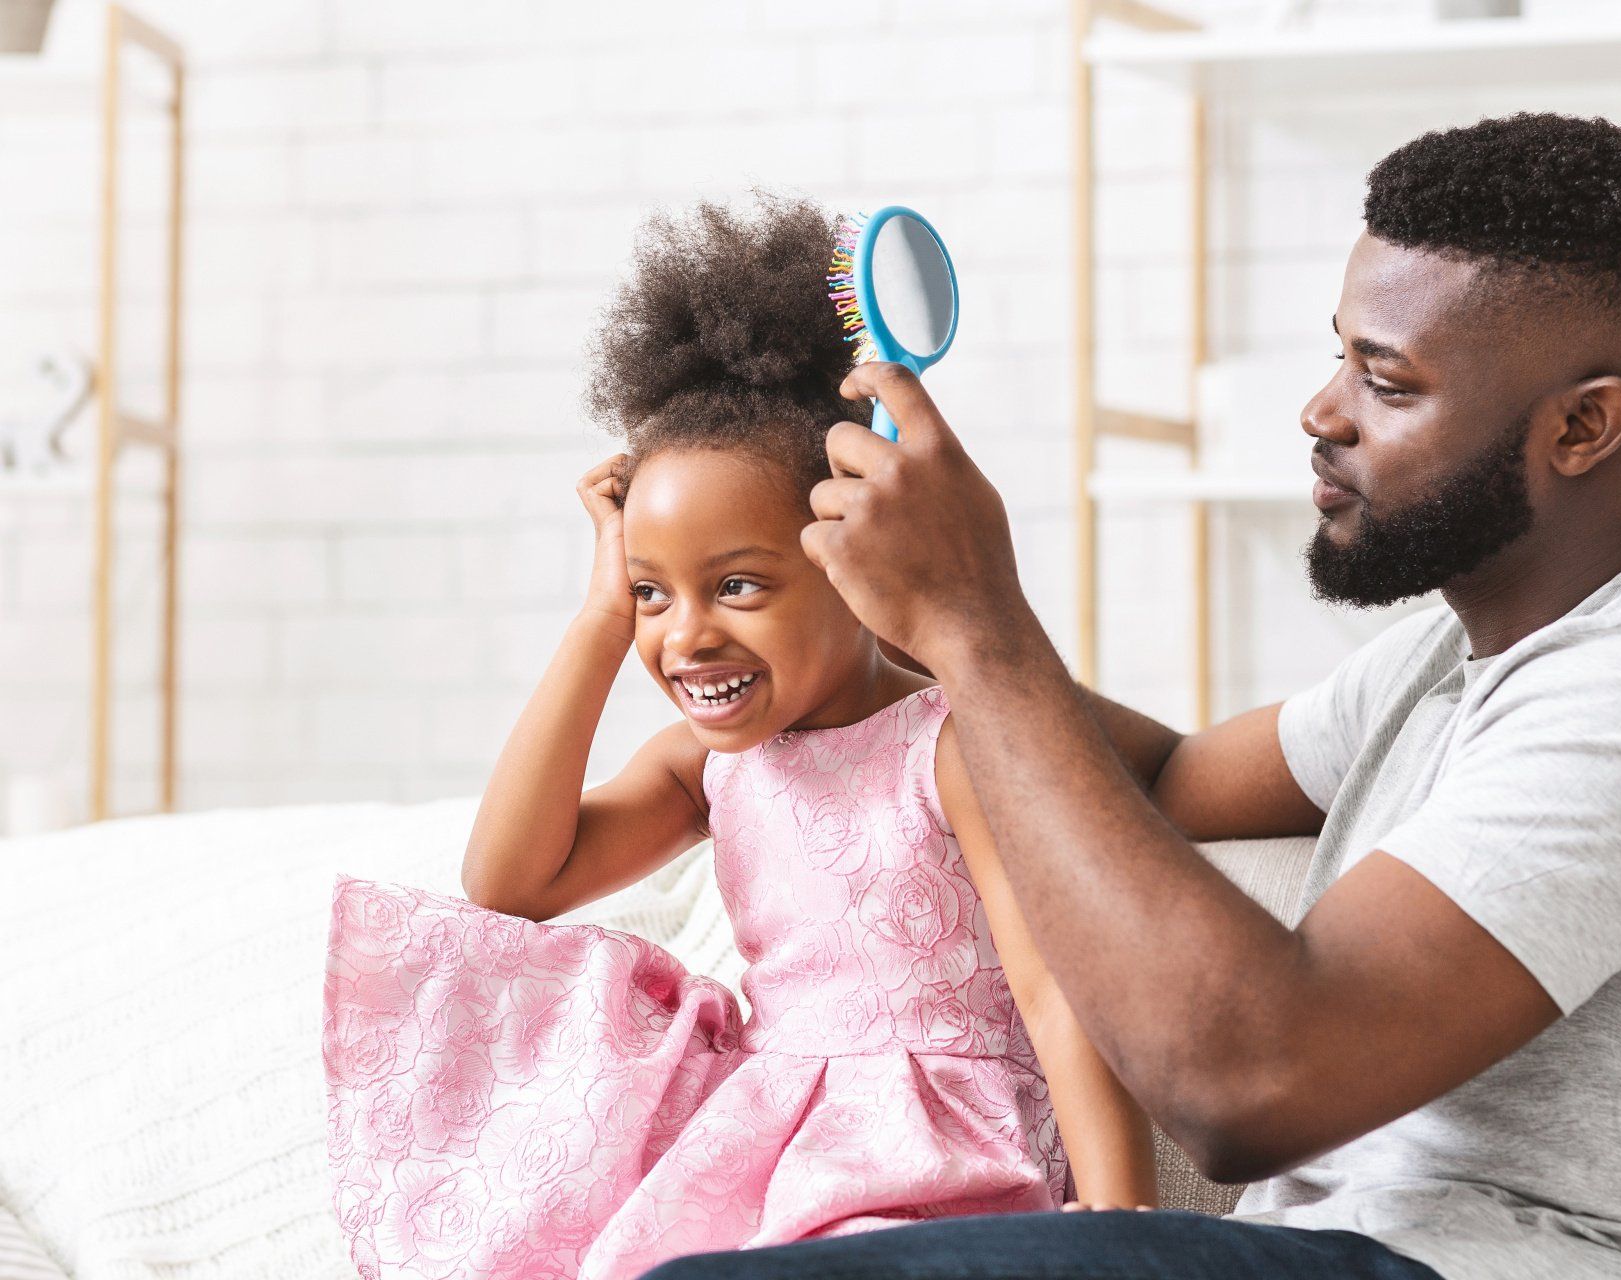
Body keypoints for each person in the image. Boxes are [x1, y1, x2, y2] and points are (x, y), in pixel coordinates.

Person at [646, 113, 1621, 1280]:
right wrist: (892, 636)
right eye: (1339, 352)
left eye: (1386, 381)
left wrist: (981, 627)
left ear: (1585, 426)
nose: (1322, 411)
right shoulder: (1452, 660)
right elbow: (1174, 779)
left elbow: (1243, 1084)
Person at [320, 193, 1156, 1280]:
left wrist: (1127, 1223)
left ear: (852, 557)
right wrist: (598, 622)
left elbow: (1058, 989)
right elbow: (509, 882)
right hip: (767, 1152)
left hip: (933, 1151)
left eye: (739, 584)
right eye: (653, 594)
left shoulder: (947, 744)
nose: (690, 636)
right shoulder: (717, 768)